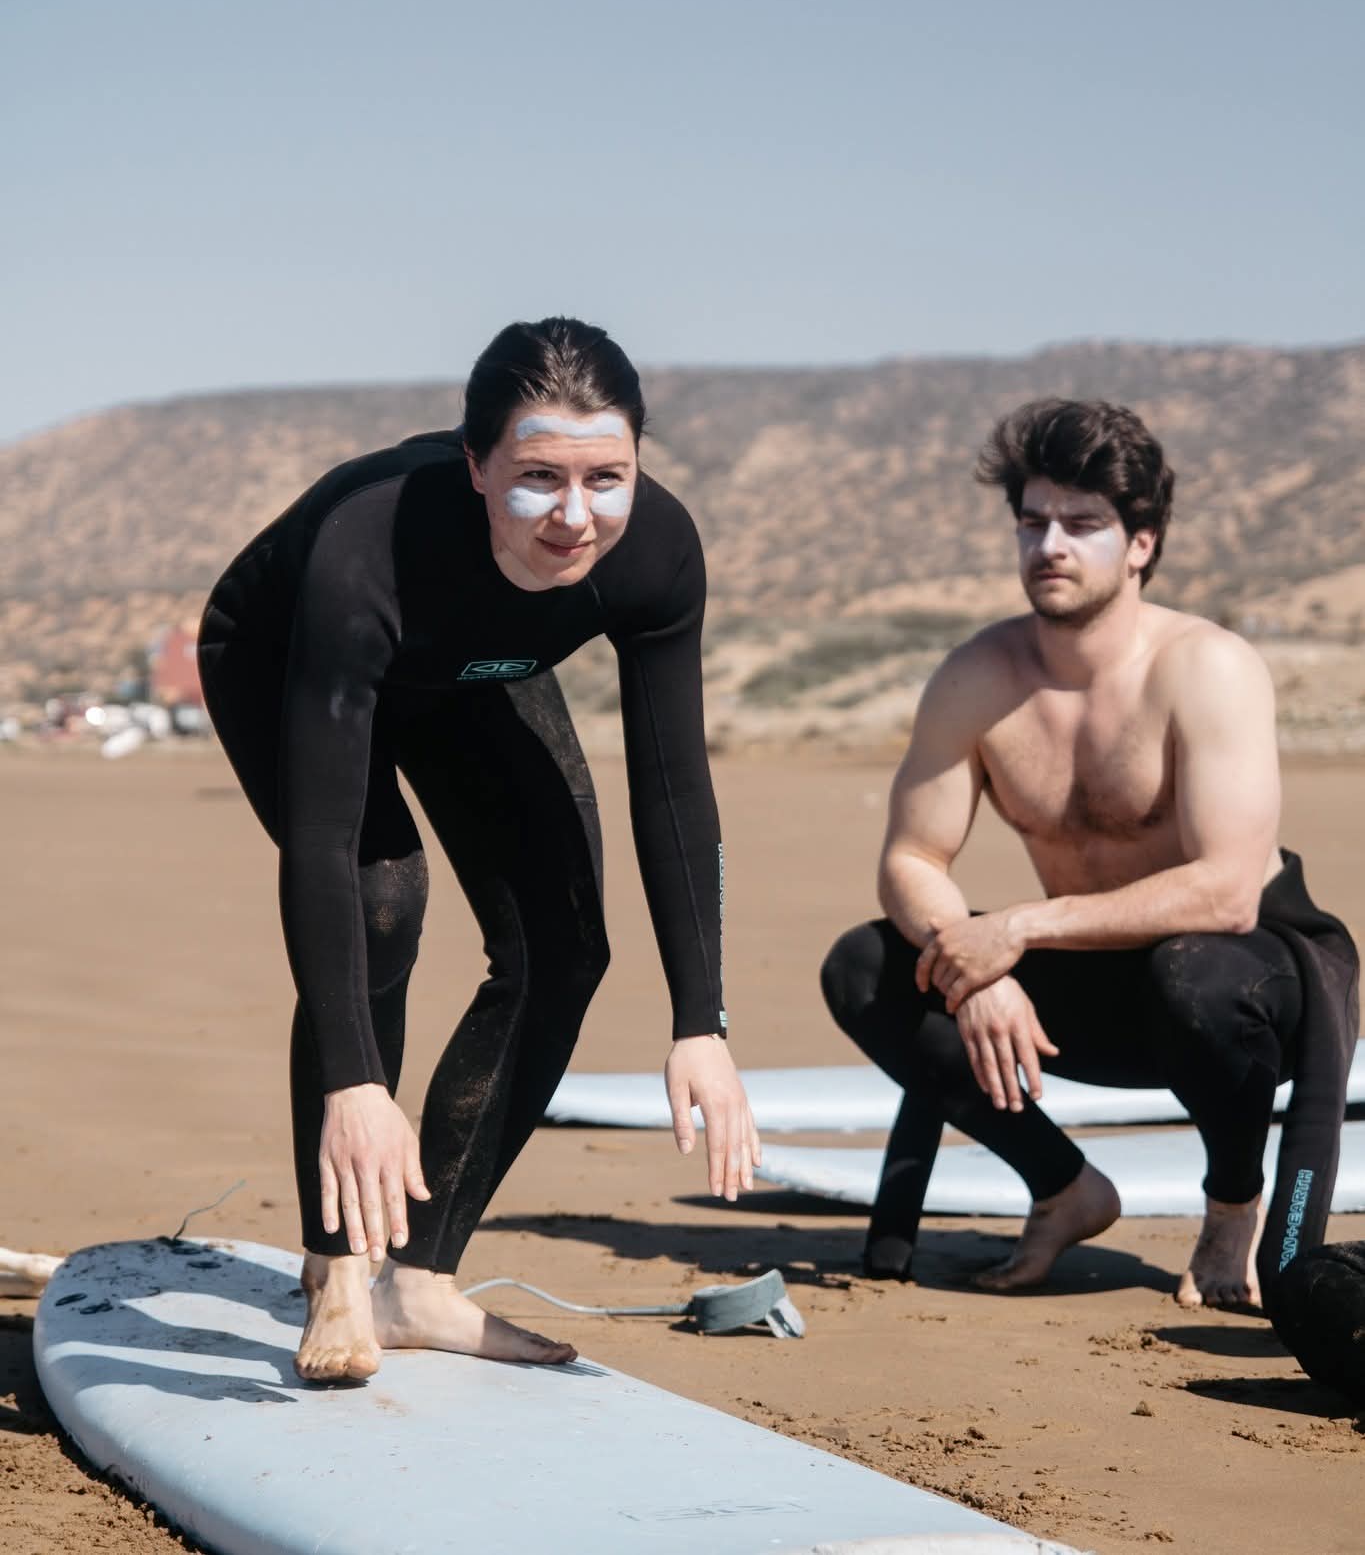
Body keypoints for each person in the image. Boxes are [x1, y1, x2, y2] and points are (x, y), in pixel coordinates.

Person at [198, 317, 760, 1381]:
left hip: (470, 667)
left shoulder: (657, 551)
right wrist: (356, 1079)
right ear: (475, 464)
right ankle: (336, 1270)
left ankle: (421, 1279)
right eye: (538, 476)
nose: (575, 514)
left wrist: (704, 1018)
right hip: (288, 658)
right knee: (383, 902)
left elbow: (675, 785)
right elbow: (321, 840)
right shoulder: (369, 548)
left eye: (608, 475)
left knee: (564, 941)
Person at [820, 398, 1357, 1310]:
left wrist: (1015, 931)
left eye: (1082, 525)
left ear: (1140, 542)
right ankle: (1066, 1187)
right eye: (1032, 524)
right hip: (1094, 982)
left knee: (1195, 974)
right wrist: (973, 968)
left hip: (1252, 981)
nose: (1049, 547)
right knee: (867, 967)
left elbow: (1226, 891)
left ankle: (1233, 1203)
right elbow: (912, 857)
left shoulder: (1205, 667)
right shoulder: (977, 678)